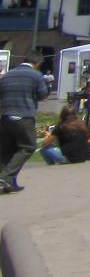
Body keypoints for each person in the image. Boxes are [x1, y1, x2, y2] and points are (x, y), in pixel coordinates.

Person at [0, 55, 51, 192]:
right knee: (28, 147)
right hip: (24, 116)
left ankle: (9, 182)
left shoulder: (8, 74)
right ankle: (5, 177)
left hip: (5, 116)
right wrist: (47, 85)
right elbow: (42, 95)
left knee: (7, 150)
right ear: (37, 63)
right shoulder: (36, 75)